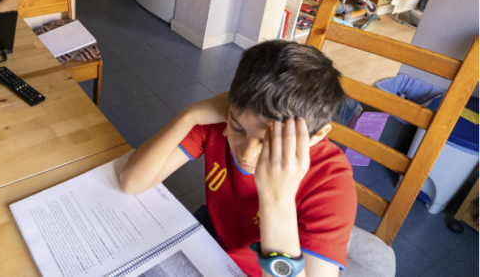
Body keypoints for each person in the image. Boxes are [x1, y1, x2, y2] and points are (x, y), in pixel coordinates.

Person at [119, 41, 357, 277]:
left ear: (317, 135)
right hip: (211, 234)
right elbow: (132, 182)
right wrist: (190, 115)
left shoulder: (331, 183)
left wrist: (277, 199)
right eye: (237, 128)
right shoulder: (222, 121)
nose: (246, 153)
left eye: (267, 143)